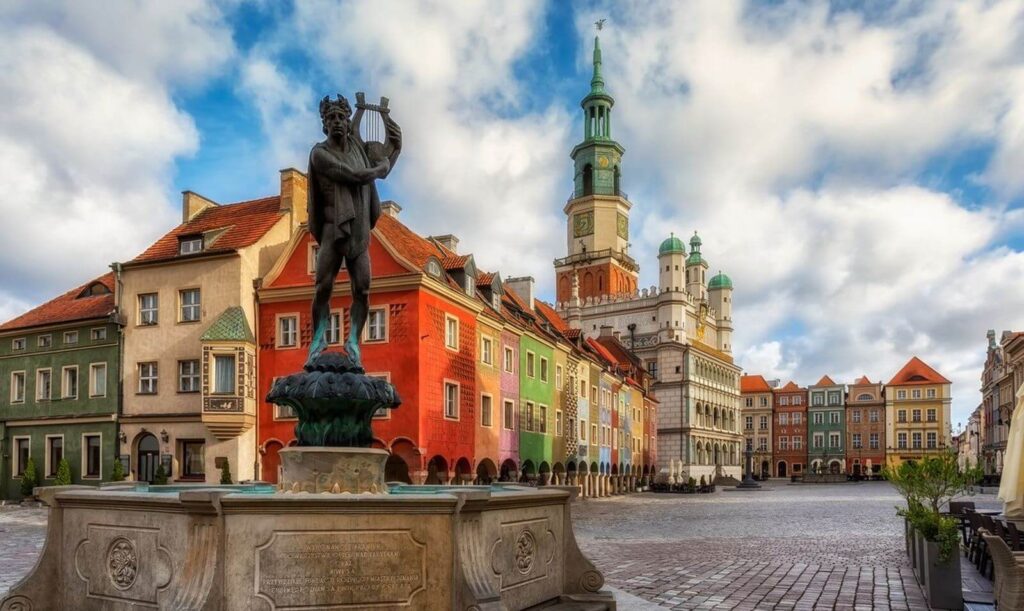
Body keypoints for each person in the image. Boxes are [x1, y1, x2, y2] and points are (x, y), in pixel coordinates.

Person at [306, 94, 401, 367]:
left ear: (348, 123)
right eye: (331, 118)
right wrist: (380, 169)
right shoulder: (320, 153)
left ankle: (353, 341)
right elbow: (353, 175)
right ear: (325, 125)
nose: (337, 122)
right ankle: (319, 336)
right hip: (331, 228)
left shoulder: (358, 148)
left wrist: (395, 142)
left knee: (363, 287)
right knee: (323, 284)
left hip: (357, 228)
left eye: (341, 118)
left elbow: (383, 159)